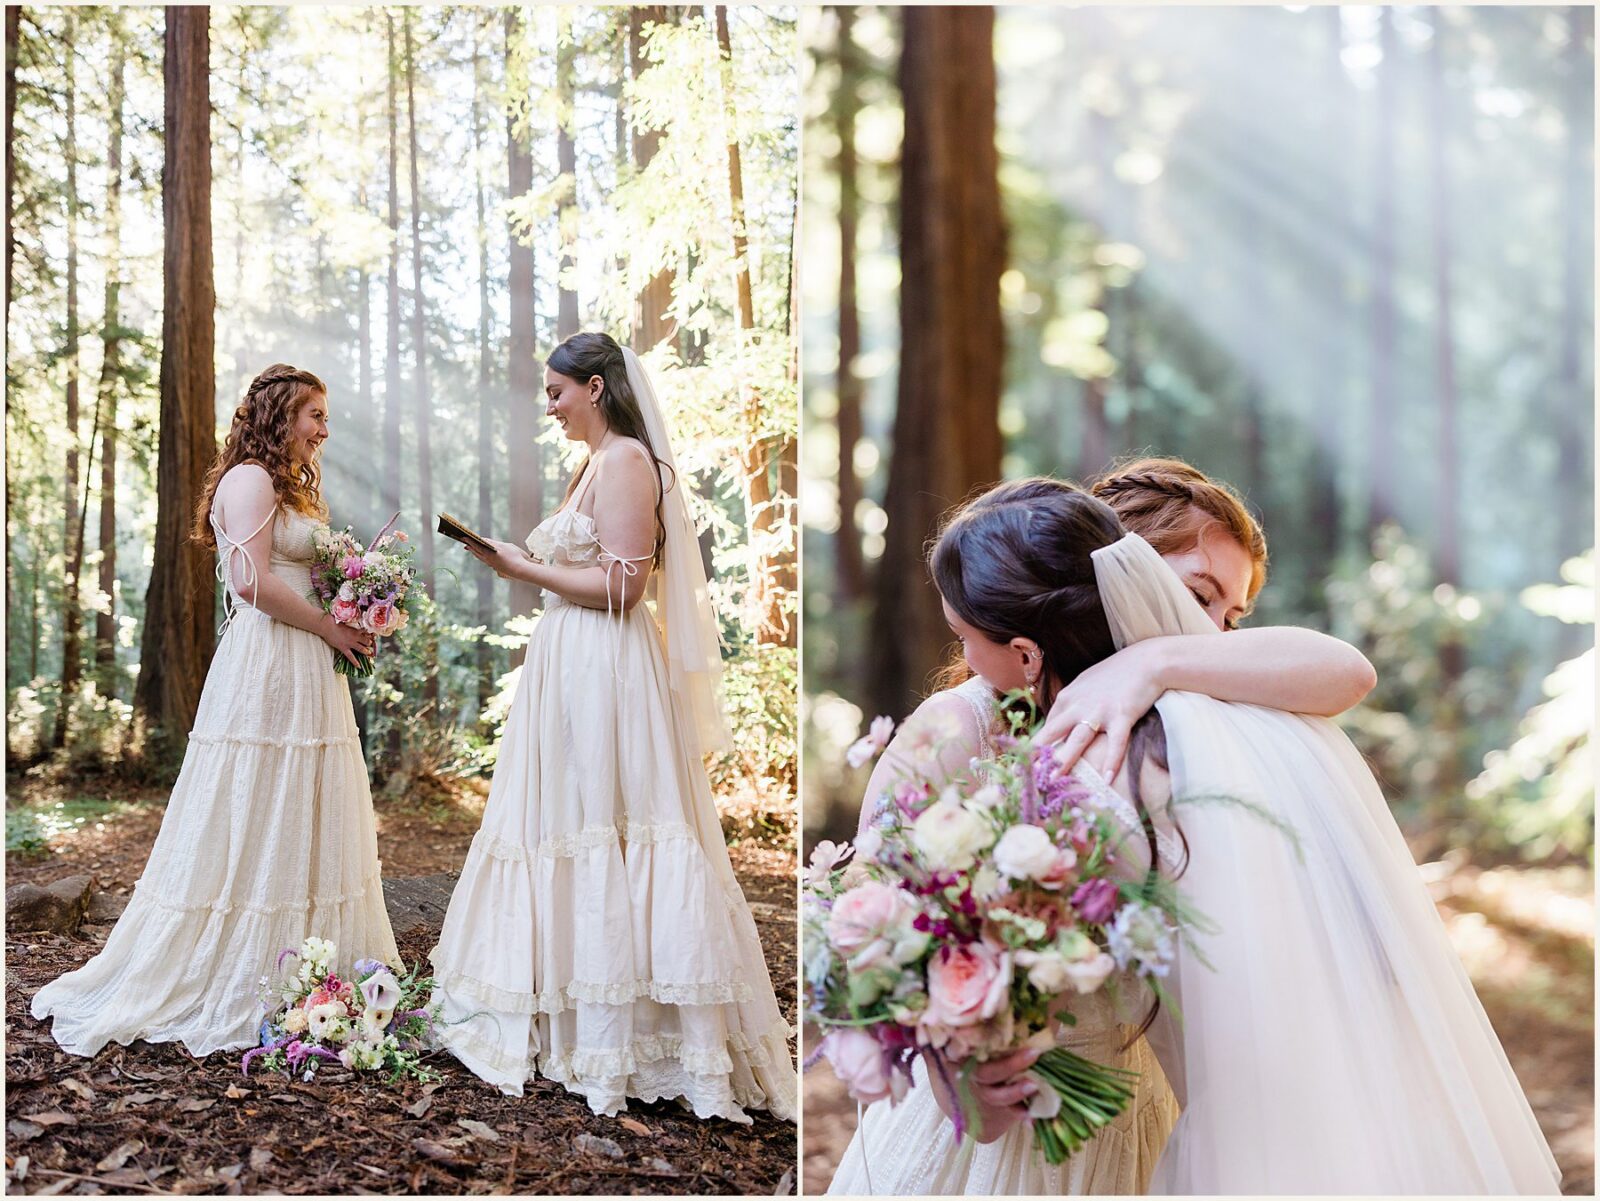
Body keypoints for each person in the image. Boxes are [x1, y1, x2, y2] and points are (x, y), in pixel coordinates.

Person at [833, 476, 1559, 1194]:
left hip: (1143, 1104)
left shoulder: (1184, 719)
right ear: (1113, 568)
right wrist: (957, 1055)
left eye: (1232, 615)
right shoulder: (967, 726)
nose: (1212, 631)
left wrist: (1151, 659)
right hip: (1009, 1126)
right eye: (1199, 594)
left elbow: (1347, 671)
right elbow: (878, 918)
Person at [428, 333, 795, 1124]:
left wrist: (521, 567)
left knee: (608, 823)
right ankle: (562, 1014)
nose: (550, 406)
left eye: (557, 391)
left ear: (595, 387)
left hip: (606, 665)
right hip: (570, 661)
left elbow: (627, 585)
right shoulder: (594, 463)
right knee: (566, 820)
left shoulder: (627, 459)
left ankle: (626, 1036)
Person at [32, 364, 399, 1058]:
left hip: (306, 662)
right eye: (315, 415)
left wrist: (355, 600)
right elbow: (250, 580)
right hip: (272, 660)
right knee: (260, 793)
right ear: (281, 415)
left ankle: (313, 958)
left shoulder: (285, 484)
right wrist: (330, 626)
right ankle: (247, 961)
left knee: (300, 795)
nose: (324, 430)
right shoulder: (250, 479)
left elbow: (294, 572)